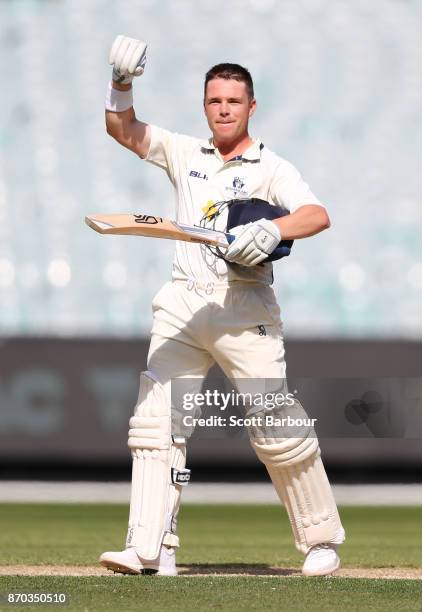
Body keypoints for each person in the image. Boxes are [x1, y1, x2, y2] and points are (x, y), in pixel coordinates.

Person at [99, 35, 345, 577]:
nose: (224, 109)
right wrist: (121, 84)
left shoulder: (269, 165)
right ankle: (151, 546)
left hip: (244, 306)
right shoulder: (186, 152)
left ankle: (321, 540)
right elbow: (124, 130)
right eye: (215, 101)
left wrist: (271, 227)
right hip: (184, 303)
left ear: (251, 106)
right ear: (204, 105)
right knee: (156, 423)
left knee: (273, 421)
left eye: (234, 101)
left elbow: (316, 214)